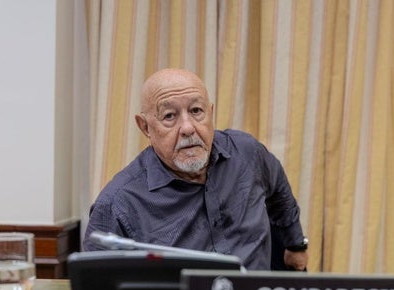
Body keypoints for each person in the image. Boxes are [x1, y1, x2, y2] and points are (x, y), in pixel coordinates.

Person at [83, 68, 308, 271]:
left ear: (210, 113)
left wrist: (295, 244)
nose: (188, 128)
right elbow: (96, 288)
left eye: (196, 110)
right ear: (145, 127)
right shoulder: (119, 204)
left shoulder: (247, 154)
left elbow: (279, 189)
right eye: (169, 116)